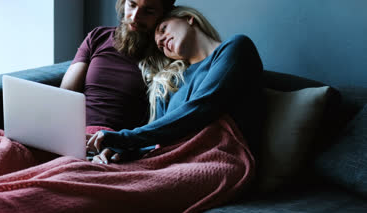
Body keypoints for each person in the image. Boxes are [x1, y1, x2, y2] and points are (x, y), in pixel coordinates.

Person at [87, 5, 264, 164]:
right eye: (160, 46)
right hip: (166, 161)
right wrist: (118, 152)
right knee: (75, 170)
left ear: (188, 19)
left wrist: (124, 138)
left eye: (163, 29)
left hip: (216, 160)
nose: (162, 41)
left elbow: (201, 108)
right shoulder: (171, 82)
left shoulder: (235, 48)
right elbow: (157, 141)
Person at [59, 0, 176, 136]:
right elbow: (65, 96)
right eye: (132, 5)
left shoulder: (167, 54)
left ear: (164, 15)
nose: (134, 17)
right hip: (74, 134)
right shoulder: (98, 37)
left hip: (116, 142)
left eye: (148, 12)